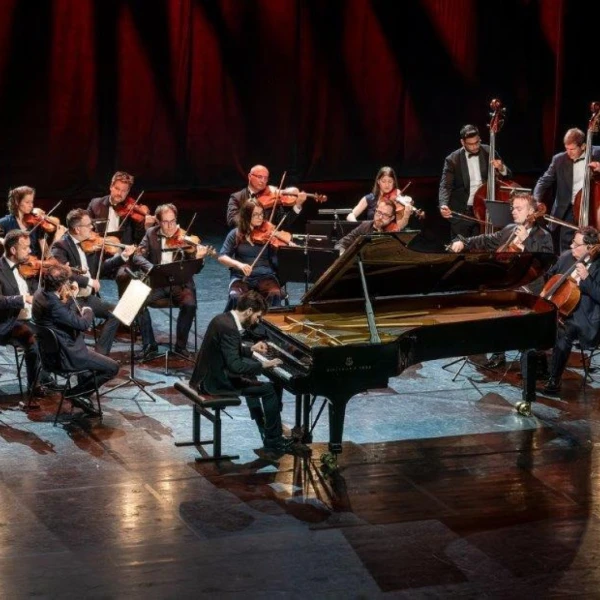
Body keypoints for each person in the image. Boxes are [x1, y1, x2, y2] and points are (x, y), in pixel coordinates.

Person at [449, 191, 554, 369]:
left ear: (531, 211)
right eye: (513, 208)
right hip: (508, 285)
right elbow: (486, 240)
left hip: (529, 289)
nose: (513, 211)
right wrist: (463, 242)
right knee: (489, 304)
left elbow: (545, 263)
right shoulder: (509, 229)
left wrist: (526, 241)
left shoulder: (543, 235)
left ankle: (533, 359)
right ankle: (498, 352)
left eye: (519, 209)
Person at [189, 290, 293, 453]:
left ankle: (266, 427)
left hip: (205, 376)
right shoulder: (230, 329)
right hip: (215, 383)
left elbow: (228, 351)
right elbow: (235, 366)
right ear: (249, 311)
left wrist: (251, 350)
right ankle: (273, 441)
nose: (258, 321)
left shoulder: (223, 319)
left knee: (253, 376)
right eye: (258, 316)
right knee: (270, 389)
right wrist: (263, 365)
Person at [32, 263, 120, 415]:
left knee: (89, 370)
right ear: (61, 285)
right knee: (113, 367)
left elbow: (63, 315)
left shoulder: (39, 294)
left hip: (48, 354)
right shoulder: (54, 305)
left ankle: (81, 394)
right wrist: (88, 310)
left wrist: (69, 297)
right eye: (66, 282)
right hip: (68, 356)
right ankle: (76, 394)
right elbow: (82, 324)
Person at [51, 208, 137, 356]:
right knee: (77, 324)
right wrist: (88, 281)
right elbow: (63, 273)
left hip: (87, 297)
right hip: (70, 300)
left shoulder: (87, 244)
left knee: (117, 313)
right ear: (77, 229)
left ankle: (100, 354)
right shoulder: (61, 246)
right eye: (88, 225)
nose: (92, 227)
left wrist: (123, 256)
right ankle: (77, 356)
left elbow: (100, 268)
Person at [131, 203, 208, 358]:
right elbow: (137, 256)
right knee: (135, 302)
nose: (170, 226)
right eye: (165, 222)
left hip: (180, 284)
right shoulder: (151, 234)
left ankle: (180, 346)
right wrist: (151, 267)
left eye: (173, 221)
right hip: (157, 283)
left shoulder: (184, 237)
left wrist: (199, 258)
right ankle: (149, 345)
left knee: (190, 305)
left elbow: (196, 270)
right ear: (159, 222)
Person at [542, 226, 600, 395]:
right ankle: (539, 366)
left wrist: (586, 278)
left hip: (585, 317)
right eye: (572, 242)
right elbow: (550, 275)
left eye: (576, 244)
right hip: (562, 308)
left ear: (589, 247)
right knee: (535, 321)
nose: (571, 246)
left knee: (563, 331)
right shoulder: (568, 256)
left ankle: (554, 379)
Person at [0, 230, 54, 396]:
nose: (30, 251)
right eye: (25, 248)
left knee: (55, 331)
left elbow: (36, 291)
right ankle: (34, 385)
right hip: (7, 321)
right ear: (13, 250)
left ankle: (46, 374)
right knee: (31, 338)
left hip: (28, 317)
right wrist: (23, 299)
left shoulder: (26, 268)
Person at [88, 171, 155, 297]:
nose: (119, 193)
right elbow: (86, 230)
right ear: (111, 187)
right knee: (84, 271)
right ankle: (90, 304)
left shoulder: (132, 211)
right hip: (98, 256)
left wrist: (146, 227)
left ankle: (123, 308)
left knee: (125, 275)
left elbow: (139, 239)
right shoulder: (95, 204)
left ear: (128, 191)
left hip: (122, 258)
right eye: (117, 188)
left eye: (124, 191)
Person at [439, 124, 512, 240]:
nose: (474, 147)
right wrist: (443, 204)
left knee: (484, 245)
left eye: (477, 142)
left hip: (484, 210)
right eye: (470, 144)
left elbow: (508, 175)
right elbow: (445, 185)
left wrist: (501, 168)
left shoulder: (489, 151)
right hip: (462, 211)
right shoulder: (452, 159)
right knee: (459, 246)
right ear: (462, 142)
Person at [533, 128, 600, 253]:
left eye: (572, 149)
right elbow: (544, 181)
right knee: (565, 243)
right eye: (566, 148)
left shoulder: (598, 153)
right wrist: (535, 200)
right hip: (568, 208)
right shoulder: (559, 159)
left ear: (583, 146)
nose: (568, 153)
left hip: (593, 208)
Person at [219, 200, 287, 309]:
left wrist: (286, 243)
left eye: (261, 214)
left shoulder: (268, 233)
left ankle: (270, 319)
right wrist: (239, 265)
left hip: (265, 276)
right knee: (235, 297)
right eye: (255, 215)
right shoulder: (235, 234)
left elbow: (279, 255)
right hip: (241, 277)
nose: (260, 218)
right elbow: (222, 257)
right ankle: (233, 319)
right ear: (246, 216)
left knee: (274, 293)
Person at [226, 164, 307, 229]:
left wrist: (297, 205)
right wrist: (252, 217)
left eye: (265, 178)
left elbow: (283, 223)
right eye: (260, 177)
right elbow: (232, 221)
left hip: (266, 240)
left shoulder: (273, 197)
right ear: (249, 176)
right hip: (244, 240)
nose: (263, 181)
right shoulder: (236, 197)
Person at [0, 186, 66, 259]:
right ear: (17, 202)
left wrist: (56, 240)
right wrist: (5, 242)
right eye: (27, 202)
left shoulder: (37, 224)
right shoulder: (5, 222)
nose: (31, 205)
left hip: (33, 263)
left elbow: (46, 255)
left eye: (32, 202)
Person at [346, 165, 413, 225]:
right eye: (383, 181)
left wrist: (406, 215)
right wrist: (359, 227)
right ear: (378, 181)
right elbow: (350, 215)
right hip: (371, 233)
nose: (387, 185)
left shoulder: (397, 199)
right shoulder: (369, 198)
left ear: (394, 182)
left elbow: (400, 226)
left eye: (390, 181)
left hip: (390, 233)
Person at [336, 198, 402, 254]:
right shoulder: (365, 226)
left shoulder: (394, 231)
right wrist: (342, 254)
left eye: (385, 215)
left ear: (392, 218)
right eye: (379, 212)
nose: (380, 217)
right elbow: (341, 243)